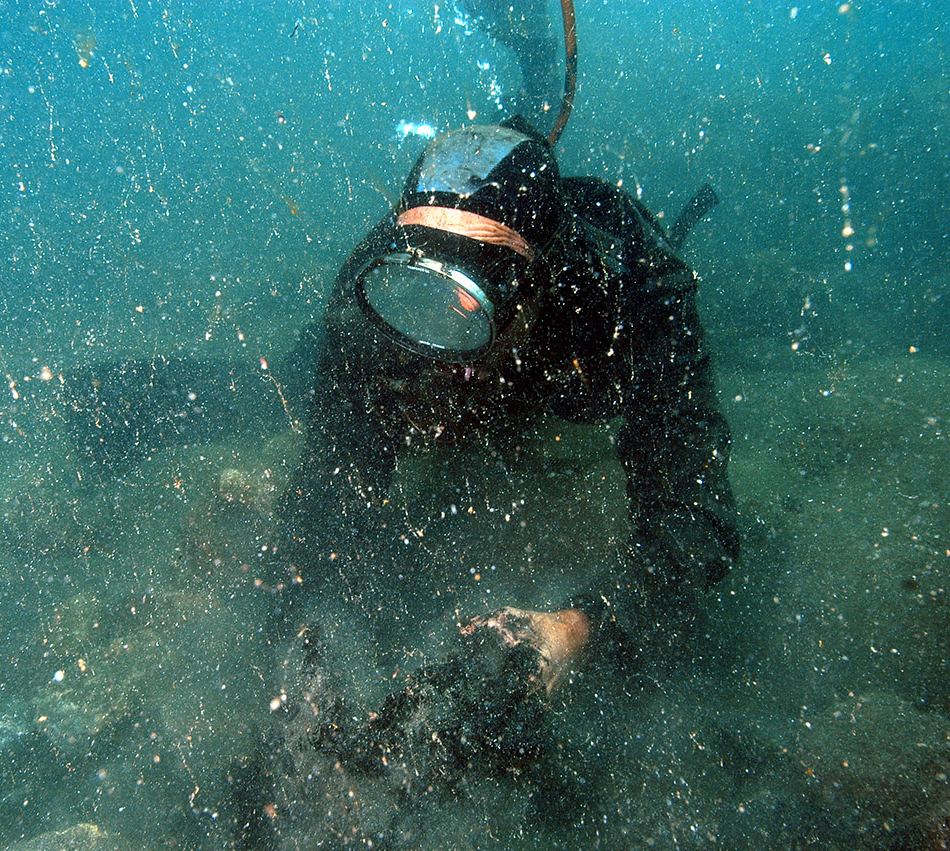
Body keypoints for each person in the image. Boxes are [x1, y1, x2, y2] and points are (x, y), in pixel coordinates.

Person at [267, 114, 738, 714]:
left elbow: (698, 518)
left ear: (539, 281)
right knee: (301, 372)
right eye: (423, 276)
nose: (443, 316)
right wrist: (308, 630)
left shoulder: (632, 288)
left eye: (482, 281)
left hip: (568, 366)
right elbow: (324, 499)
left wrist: (573, 628)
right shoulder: (374, 293)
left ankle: (535, 73)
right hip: (498, 358)